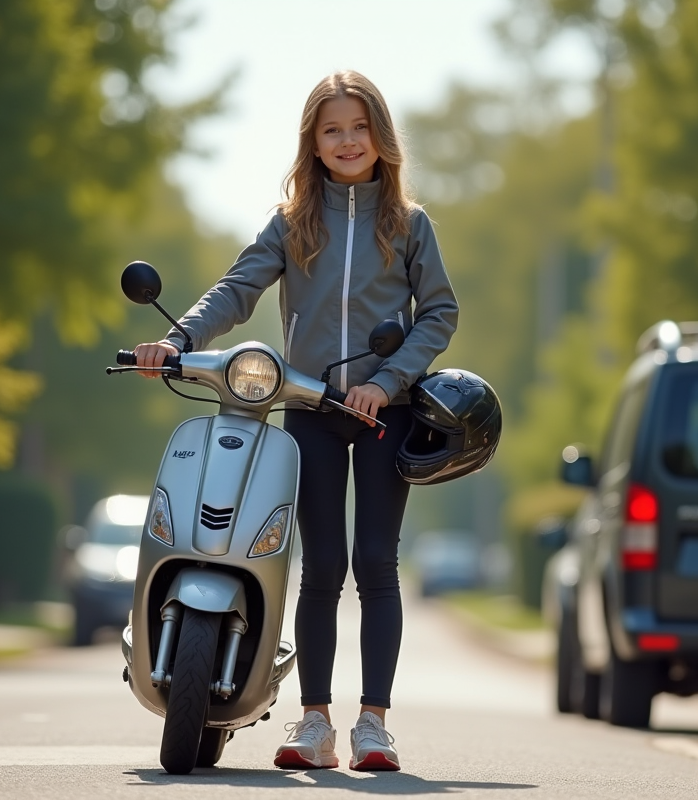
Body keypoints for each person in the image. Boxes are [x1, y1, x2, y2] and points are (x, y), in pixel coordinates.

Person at [132, 70, 458, 772]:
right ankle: (315, 723)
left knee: (376, 561)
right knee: (320, 567)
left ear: (381, 137)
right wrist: (180, 339)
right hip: (309, 409)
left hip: (383, 414)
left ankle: (374, 724)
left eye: (358, 128)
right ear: (312, 141)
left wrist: (388, 381)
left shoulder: (409, 223)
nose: (346, 141)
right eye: (331, 129)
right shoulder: (291, 223)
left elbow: (439, 314)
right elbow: (238, 288)